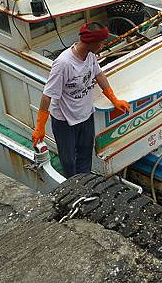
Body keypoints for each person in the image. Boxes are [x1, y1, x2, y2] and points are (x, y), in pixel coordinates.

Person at [32, 21, 130, 177]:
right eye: (101, 42)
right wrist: (40, 126)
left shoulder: (90, 56)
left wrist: (114, 99)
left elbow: (99, 75)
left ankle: (84, 184)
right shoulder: (63, 64)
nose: (103, 45)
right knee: (69, 161)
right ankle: (71, 187)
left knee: (85, 156)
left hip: (85, 115)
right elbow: (47, 95)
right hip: (65, 121)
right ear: (91, 42)